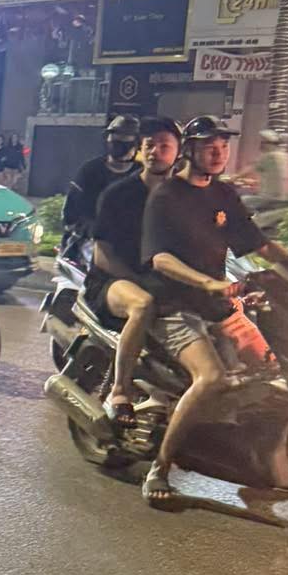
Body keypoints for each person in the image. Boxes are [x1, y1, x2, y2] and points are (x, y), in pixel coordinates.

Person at [140, 114, 288, 509]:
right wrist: (208, 283)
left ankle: (245, 444)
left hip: (218, 305)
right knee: (211, 378)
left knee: (272, 370)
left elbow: (260, 245)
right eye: (208, 147)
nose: (218, 154)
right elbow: (160, 258)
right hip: (174, 306)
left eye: (222, 147)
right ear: (189, 150)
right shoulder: (167, 197)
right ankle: (160, 468)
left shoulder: (223, 194)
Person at [86, 117, 180, 420]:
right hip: (112, 281)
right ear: (140, 149)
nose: (155, 152)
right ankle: (120, 390)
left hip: (161, 279)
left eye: (164, 146)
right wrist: (139, 280)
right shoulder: (118, 194)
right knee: (143, 304)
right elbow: (102, 256)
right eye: (149, 145)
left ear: (178, 152)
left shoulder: (182, 197)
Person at [64, 114, 141, 244]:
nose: (119, 148)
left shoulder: (141, 174)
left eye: (125, 143)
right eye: (115, 142)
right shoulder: (90, 171)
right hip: (89, 241)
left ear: (136, 145)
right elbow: (71, 212)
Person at [256, 127, 288, 203]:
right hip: (283, 197)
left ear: (269, 144)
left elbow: (251, 168)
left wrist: (234, 177)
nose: (261, 145)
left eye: (262, 142)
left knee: (242, 200)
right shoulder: (287, 156)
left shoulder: (269, 156)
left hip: (268, 199)